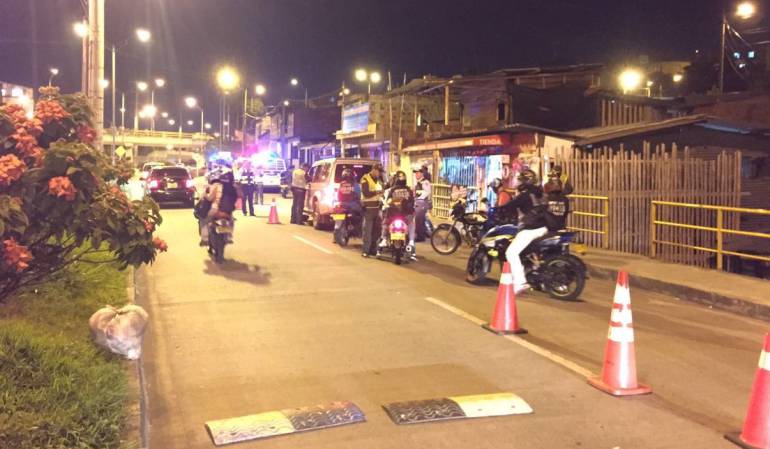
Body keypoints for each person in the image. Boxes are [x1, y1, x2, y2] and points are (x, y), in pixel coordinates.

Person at [501, 169, 548, 294]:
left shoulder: (525, 195)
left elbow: (510, 205)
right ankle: (535, 272)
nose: (519, 183)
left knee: (511, 252)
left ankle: (520, 282)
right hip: (544, 227)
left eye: (521, 180)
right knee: (528, 251)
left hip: (531, 229)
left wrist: (499, 209)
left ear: (526, 181)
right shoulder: (541, 193)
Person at [379, 170, 416, 259]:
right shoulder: (408, 189)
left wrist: (387, 205)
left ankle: (384, 239)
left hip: (395, 214)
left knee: (385, 222)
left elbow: (388, 201)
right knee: (411, 224)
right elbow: (412, 201)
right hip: (404, 214)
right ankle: (411, 241)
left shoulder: (393, 190)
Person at [205, 169, 239, 245]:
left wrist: (204, 195)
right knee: (231, 220)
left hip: (216, 209)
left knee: (205, 220)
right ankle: (229, 236)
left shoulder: (216, 186)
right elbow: (237, 198)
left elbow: (210, 198)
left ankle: (205, 238)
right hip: (227, 211)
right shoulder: (233, 188)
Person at [360, 164, 384, 257]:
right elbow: (366, 193)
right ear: (373, 170)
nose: (379, 173)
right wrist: (377, 192)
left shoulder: (379, 180)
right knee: (368, 231)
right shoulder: (365, 178)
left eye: (380, 172)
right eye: (378, 171)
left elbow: (383, 191)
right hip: (368, 208)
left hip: (378, 208)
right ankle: (365, 251)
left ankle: (373, 249)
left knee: (377, 231)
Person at [413, 166, 432, 242]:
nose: (416, 175)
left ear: (422, 174)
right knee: (421, 220)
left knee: (419, 220)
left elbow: (427, 192)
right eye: (415, 173)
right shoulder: (418, 182)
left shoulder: (425, 182)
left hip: (422, 203)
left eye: (418, 173)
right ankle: (422, 234)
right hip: (418, 203)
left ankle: (420, 237)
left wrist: (418, 194)